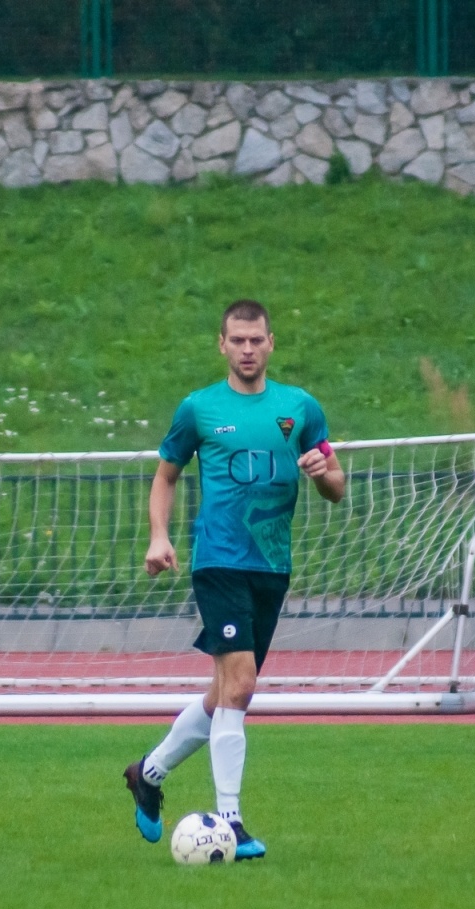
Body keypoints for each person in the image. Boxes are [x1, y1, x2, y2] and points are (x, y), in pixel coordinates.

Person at [124, 299, 346, 859]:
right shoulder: (199, 409)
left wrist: (325, 474)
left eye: (256, 340)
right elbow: (165, 476)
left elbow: (337, 482)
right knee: (242, 686)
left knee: (225, 691)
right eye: (237, 340)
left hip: (272, 566)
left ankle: (148, 774)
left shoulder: (299, 407)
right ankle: (231, 822)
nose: (247, 349)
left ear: (272, 343)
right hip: (218, 560)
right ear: (221, 345)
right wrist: (159, 535)